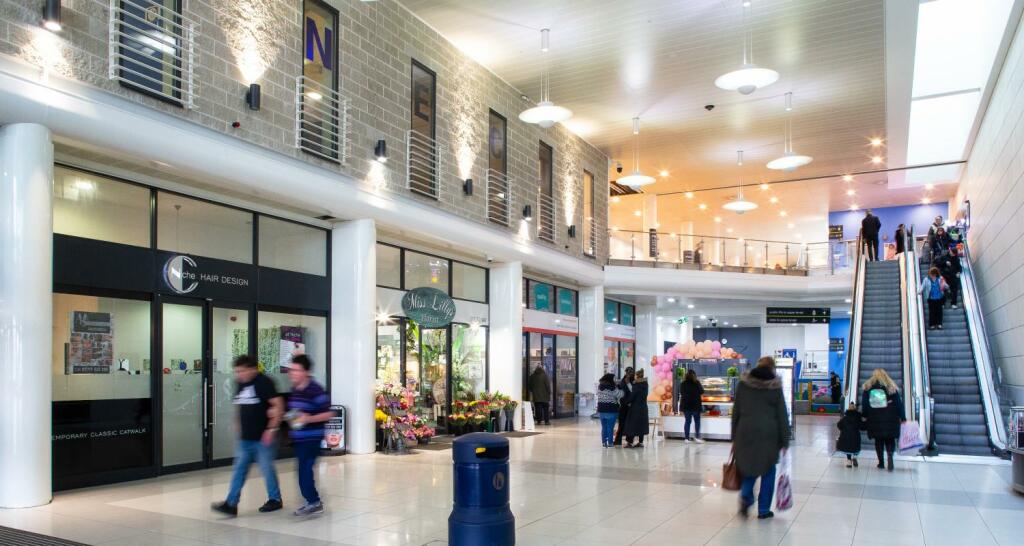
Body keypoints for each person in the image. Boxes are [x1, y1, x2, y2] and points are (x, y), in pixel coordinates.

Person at [211, 355, 284, 516]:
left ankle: (275, 499)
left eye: (242, 371)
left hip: (263, 438)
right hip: (245, 438)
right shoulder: (240, 383)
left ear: (253, 369)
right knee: (239, 470)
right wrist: (237, 423)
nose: (239, 375)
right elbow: (239, 405)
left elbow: (278, 405)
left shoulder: (265, 382)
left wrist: (271, 430)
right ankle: (231, 504)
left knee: (266, 468)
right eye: (237, 372)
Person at [732, 356, 790, 520]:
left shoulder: (744, 384)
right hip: (768, 435)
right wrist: (785, 440)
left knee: (748, 469)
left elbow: (736, 411)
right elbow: (782, 415)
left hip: (745, 432)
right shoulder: (775, 386)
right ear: (772, 368)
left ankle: (746, 497)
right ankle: (763, 510)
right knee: (768, 471)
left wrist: (734, 435)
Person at [285, 354, 334, 516]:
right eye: (291, 370)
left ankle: (313, 502)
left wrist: (309, 418)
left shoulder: (315, 389)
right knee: (303, 471)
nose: (293, 373)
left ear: (306, 372)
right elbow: (297, 412)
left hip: (312, 438)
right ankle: (313, 501)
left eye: (297, 370)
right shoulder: (295, 389)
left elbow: (328, 414)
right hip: (299, 438)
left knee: (304, 470)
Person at [861, 368, 906, 471]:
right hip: (891, 417)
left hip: (874, 418)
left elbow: (865, 404)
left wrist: (865, 415)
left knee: (878, 440)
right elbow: (899, 404)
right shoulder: (891, 387)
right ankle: (890, 455)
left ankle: (881, 463)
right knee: (890, 439)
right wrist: (902, 417)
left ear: (874, 376)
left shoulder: (868, 388)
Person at [622, 369, 649, 447]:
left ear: (637, 376)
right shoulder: (645, 385)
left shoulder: (637, 386)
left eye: (635, 376)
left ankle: (629, 442)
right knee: (641, 425)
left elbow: (632, 397)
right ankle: (641, 442)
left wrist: (625, 402)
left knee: (631, 425)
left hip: (635, 408)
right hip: (643, 408)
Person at [596, 373, 622, 448]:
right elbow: (620, 394)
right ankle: (610, 443)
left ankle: (604, 442)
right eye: (614, 379)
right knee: (610, 427)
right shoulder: (612, 387)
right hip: (611, 410)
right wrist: (620, 388)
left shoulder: (600, 387)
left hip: (601, 410)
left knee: (604, 427)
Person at [680, 369, 705, 443]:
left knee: (687, 421)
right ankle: (697, 437)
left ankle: (686, 438)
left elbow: (681, 393)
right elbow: (702, 391)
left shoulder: (683, 383)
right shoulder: (697, 382)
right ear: (694, 375)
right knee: (697, 421)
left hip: (686, 406)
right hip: (695, 406)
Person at [836, 402, 863, 468]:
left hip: (846, 435)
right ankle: (855, 458)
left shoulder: (844, 418)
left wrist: (843, 430)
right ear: (855, 409)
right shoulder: (858, 418)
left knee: (848, 448)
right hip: (855, 436)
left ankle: (849, 461)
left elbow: (839, 425)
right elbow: (862, 426)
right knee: (856, 448)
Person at [614, 367, 635, 446]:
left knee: (631, 424)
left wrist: (629, 384)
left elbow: (634, 392)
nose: (629, 374)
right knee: (621, 424)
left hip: (632, 406)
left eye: (631, 373)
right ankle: (618, 440)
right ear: (626, 373)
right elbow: (619, 393)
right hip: (623, 406)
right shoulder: (622, 382)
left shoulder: (634, 382)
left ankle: (629, 441)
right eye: (628, 373)